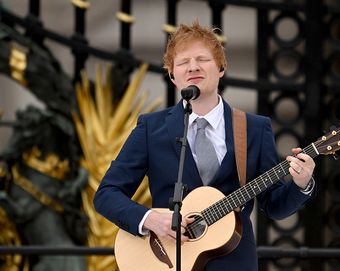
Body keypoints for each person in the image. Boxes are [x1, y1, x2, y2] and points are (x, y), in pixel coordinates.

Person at [93, 20, 316, 271]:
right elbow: (106, 194)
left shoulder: (254, 128)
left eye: (202, 59)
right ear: (172, 75)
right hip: (165, 261)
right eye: (183, 62)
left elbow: (274, 206)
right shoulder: (150, 128)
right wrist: (151, 220)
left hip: (233, 263)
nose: (193, 67)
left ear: (221, 67)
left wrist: (301, 184)